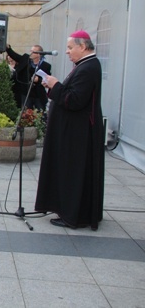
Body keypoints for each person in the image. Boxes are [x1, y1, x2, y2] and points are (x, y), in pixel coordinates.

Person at [35, 30, 104, 230]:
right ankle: (67, 209)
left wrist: (55, 85)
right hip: (75, 130)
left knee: (74, 173)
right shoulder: (85, 65)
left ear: (83, 46)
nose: (67, 52)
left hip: (78, 134)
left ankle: (74, 215)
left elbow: (74, 100)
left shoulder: (88, 67)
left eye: (70, 47)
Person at [6, 44, 51, 110]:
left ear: (39, 54)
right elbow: (15, 56)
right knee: (26, 114)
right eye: (31, 51)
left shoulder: (46, 66)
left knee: (40, 114)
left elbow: (47, 80)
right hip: (26, 93)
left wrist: (38, 80)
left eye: (33, 52)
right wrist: (8, 49)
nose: (31, 53)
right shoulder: (26, 59)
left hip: (38, 95)